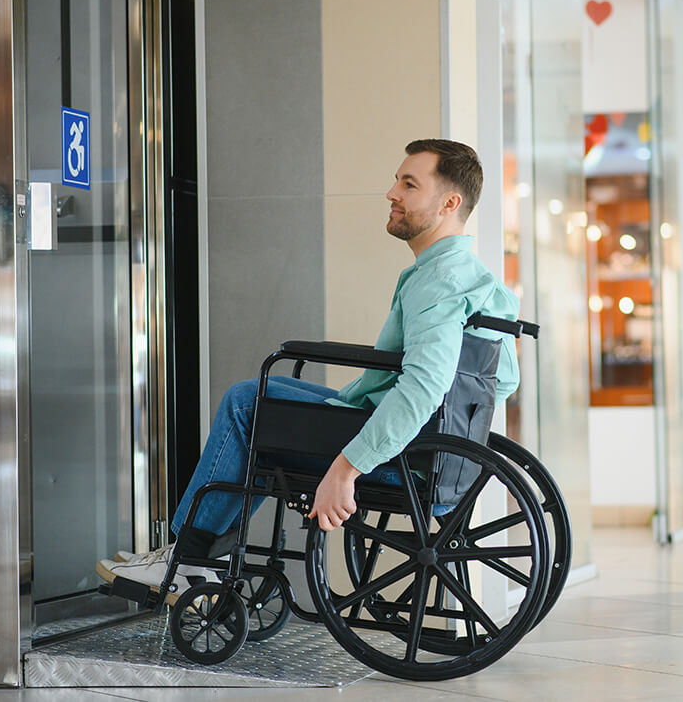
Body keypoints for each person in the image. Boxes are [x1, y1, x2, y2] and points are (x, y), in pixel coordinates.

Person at [96, 139, 521, 600]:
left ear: (449, 203)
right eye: (397, 179)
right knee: (272, 399)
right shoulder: (477, 278)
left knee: (248, 402)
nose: (391, 193)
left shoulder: (439, 283)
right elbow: (503, 379)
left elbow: (425, 385)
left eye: (408, 183)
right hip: (437, 454)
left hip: (404, 459)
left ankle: (187, 560)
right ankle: (194, 555)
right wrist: (449, 432)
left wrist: (347, 468)